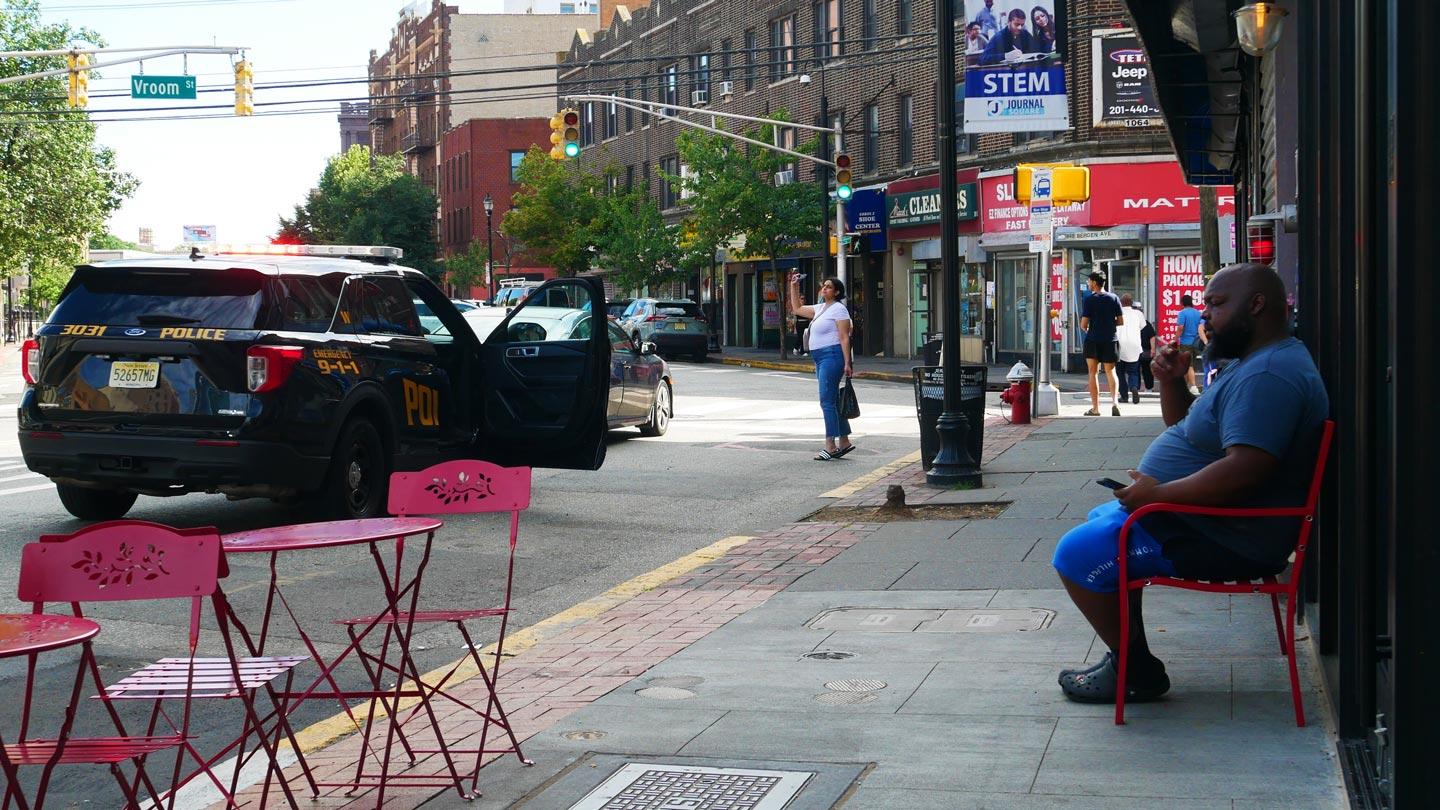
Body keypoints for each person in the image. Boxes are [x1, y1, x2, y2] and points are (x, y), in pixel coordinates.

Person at [1049, 263, 1329, 704]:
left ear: (1257, 305)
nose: (1206, 315)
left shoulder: (1268, 375)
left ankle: (1135, 671)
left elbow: (1246, 470)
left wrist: (1157, 495)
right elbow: (1187, 426)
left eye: (1217, 304)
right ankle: (1131, 657)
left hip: (1227, 536)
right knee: (1102, 525)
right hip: (1206, 520)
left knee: (1077, 552)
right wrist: (1172, 380)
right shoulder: (1254, 362)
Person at [788, 273, 855, 461]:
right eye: (824, 286)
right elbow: (797, 308)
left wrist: (847, 362)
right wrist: (794, 286)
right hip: (820, 357)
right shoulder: (821, 308)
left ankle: (830, 445)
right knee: (833, 399)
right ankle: (844, 441)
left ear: (837, 292)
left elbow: (844, 337)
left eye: (829, 287)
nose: (824, 288)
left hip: (831, 356)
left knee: (826, 401)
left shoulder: (839, 310)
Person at [1079, 271, 1124, 416]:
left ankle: (1095, 408)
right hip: (1110, 339)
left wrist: (1090, 327)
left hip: (1093, 339)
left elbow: (1083, 324)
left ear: (1094, 282)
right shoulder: (1114, 298)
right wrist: (1109, 324)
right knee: (1111, 371)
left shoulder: (1089, 300)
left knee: (1093, 373)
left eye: (1089, 281)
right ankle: (1115, 403)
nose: (1088, 284)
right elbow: (1121, 321)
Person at [1115, 293, 1144, 405]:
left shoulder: (1116, 313)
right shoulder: (1138, 314)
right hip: (1134, 345)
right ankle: (1134, 387)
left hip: (1120, 345)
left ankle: (1124, 396)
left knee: (1120, 373)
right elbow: (1142, 326)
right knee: (1134, 371)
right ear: (1132, 303)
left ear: (1120, 303)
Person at [1175, 294, 1204, 394]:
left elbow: (1180, 328)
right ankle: (1184, 387)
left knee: (1188, 365)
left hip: (1185, 342)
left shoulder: (1182, 313)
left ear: (1182, 303)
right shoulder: (1198, 313)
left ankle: (1193, 386)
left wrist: (1175, 339)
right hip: (1197, 342)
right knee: (1190, 365)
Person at [1137, 300, 1157, 393]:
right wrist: (1153, 349)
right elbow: (1152, 336)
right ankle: (1149, 387)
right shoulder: (1146, 323)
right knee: (1147, 370)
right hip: (1145, 350)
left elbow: (1152, 337)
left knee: (1134, 370)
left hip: (1134, 350)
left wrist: (1153, 349)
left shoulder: (1130, 323)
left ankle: (1135, 387)